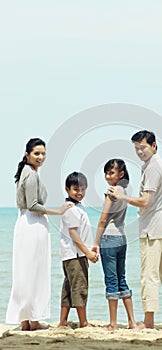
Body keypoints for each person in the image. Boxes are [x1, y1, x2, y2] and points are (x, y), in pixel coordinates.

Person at [108, 131, 162, 331]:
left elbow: (146, 201)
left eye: (142, 147)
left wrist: (122, 196)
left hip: (153, 228)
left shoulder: (153, 167)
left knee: (149, 275)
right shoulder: (157, 165)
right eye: (136, 148)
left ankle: (149, 321)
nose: (139, 151)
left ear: (153, 145)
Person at [6, 138, 73, 331]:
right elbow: (33, 206)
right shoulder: (31, 174)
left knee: (25, 273)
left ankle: (25, 320)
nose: (41, 157)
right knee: (36, 272)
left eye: (43, 153)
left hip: (25, 223)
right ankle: (33, 320)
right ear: (27, 155)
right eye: (36, 153)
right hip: (33, 225)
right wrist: (58, 211)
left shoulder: (26, 173)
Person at [93, 159, 138, 331]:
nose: (107, 176)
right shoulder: (124, 191)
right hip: (121, 238)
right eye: (106, 173)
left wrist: (95, 242)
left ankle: (113, 324)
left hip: (109, 239)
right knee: (122, 280)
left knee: (111, 281)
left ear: (121, 174)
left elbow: (103, 219)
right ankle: (132, 322)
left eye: (111, 173)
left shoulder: (112, 192)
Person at [59, 171, 98, 328]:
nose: (80, 192)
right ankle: (83, 322)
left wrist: (91, 247)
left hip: (71, 255)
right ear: (67, 189)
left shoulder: (77, 206)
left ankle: (62, 321)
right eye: (76, 189)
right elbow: (74, 234)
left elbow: (82, 232)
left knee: (68, 288)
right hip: (76, 255)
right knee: (80, 288)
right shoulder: (71, 209)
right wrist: (87, 253)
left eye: (82, 189)